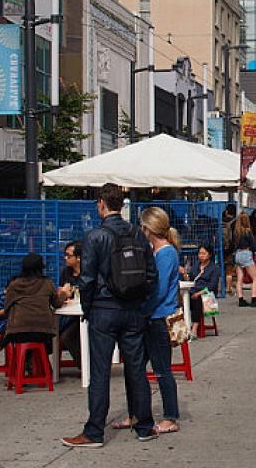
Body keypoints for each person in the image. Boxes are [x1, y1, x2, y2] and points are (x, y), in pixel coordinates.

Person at [62, 183, 157, 448]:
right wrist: (141, 301)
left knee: (100, 370)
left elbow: (88, 278)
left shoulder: (95, 236)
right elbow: (151, 275)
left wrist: (88, 307)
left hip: (104, 308)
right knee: (136, 368)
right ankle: (144, 425)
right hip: (133, 308)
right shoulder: (138, 235)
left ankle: (94, 431)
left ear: (102, 203)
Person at [140, 207, 181, 434]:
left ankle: (170, 416)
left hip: (158, 317)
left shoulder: (164, 254)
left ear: (149, 229)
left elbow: (160, 288)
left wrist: (143, 309)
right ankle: (139, 410)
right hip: (156, 315)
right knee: (143, 367)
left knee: (162, 369)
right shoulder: (163, 252)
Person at [183, 245, 220, 334]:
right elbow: (191, 280)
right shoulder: (195, 266)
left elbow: (212, 286)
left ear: (209, 254)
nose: (201, 255)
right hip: (194, 290)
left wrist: (199, 293)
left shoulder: (214, 268)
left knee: (197, 299)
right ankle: (185, 325)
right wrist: (185, 276)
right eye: (200, 253)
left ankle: (194, 328)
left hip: (207, 293)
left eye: (204, 253)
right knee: (184, 299)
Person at [58, 241, 83, 366]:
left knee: (67, 336)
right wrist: (63, 293)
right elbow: (61, 291)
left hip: (85, 314)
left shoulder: (89, 272)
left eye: (68, 255)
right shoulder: (66, 272)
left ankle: (84, 366)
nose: (65, 258)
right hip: (68, 313)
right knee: (54, 332)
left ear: (78, 258)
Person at [233, 213, 256, 307]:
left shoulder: (236, 232)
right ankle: (254, 298)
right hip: (246, 253)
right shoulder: (248, 231)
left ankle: (240, 299)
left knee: (239, 279)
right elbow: (253, 245)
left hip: (238, 254)